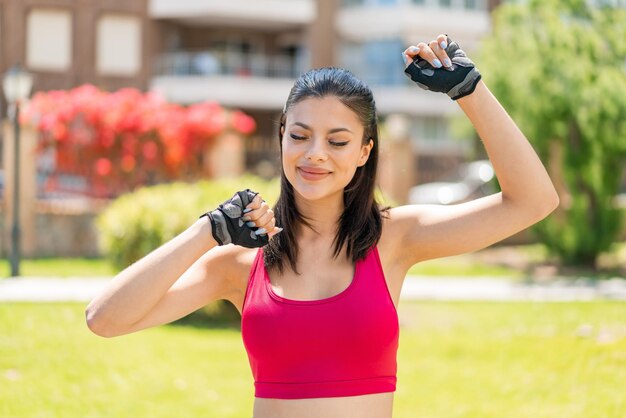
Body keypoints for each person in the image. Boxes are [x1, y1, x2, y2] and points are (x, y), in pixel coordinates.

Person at [85, 34, 559, 418]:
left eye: (337, 140)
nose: (314, 154)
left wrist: (468, 90)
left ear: (364, 152)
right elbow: (104, 320)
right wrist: (205, 231)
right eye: (300, 135)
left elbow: (533, 201)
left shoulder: (396, 238)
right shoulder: (240, 262)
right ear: (282, 138)